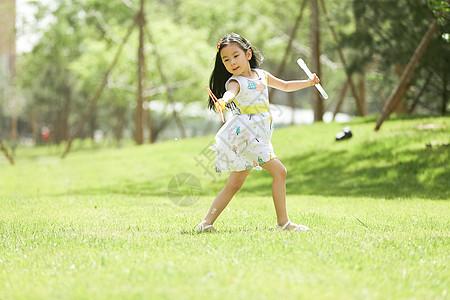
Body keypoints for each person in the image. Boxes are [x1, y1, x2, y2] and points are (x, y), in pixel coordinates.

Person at [197, 33, 320, 232]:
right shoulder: (235, 82)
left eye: (235, 56)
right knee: (280, 171)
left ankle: (205, 224)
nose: (231, 62)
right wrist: (224, 100)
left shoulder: (262, 75)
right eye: (226, 60)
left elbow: (286, 86)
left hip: (259, 135)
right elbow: (230, 94)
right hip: (247, 136)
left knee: (234, 184)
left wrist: (308, 82)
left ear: (248, 54)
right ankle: (284, 223)